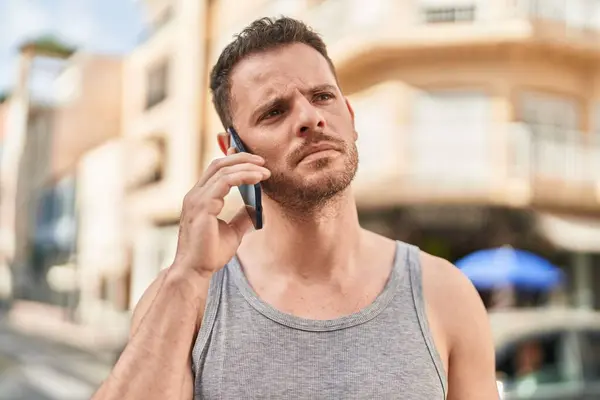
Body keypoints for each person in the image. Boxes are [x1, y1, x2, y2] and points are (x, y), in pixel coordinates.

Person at [93, 16, 498, 400]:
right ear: (232, 151)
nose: (309, 117)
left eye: (322, 96)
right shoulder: (189, 299)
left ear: (350, 117)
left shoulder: (445, 294)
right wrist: (188, 275)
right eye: (274, 111)